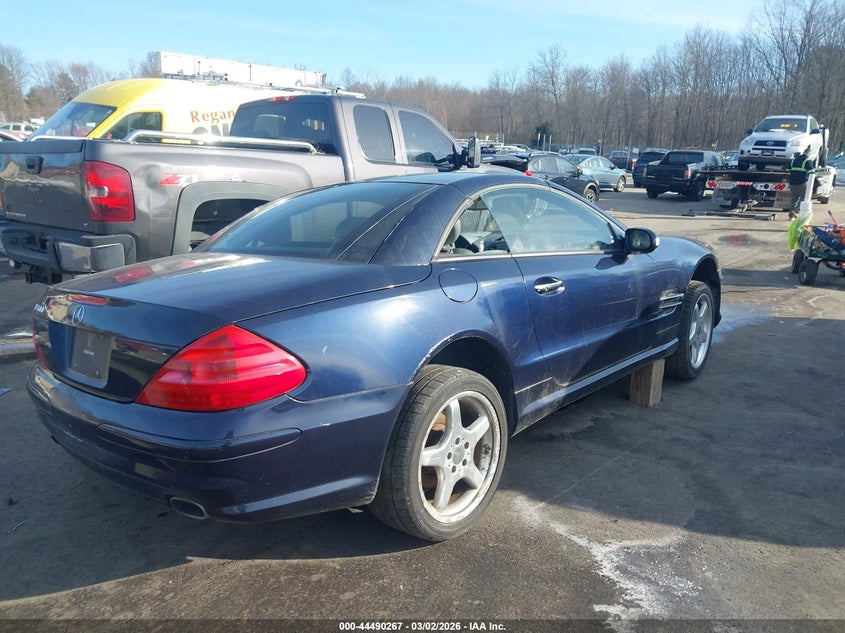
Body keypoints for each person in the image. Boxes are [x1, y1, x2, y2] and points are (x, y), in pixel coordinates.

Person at [788, 145, 815, 218]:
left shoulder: (794, 160)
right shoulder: (808, 161)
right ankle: (796, 210)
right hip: (801, 182)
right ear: (809, 154)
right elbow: (811, 172)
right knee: (805, 197)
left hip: (792, 183)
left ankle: (791, 212)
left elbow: (787, 169)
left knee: (793, 198)